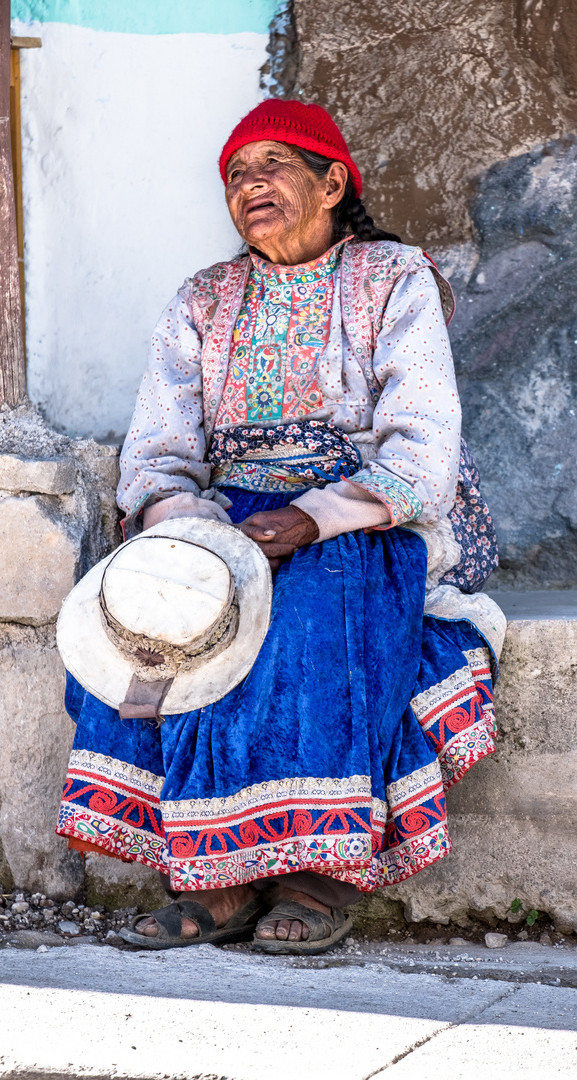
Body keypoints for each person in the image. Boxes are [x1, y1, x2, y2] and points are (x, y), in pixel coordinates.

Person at [56, 99, 504, 955]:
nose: (250, 185)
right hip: (227, 511)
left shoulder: (392, 277)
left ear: (333, 182)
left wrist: (311, 517)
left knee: (308, 618)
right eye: (235, 174)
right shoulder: (205, 298)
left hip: (364, 507)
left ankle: (316, 873)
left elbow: (423, 441)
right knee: (168, 617)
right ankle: (216, 878)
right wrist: (188, 530)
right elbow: (159, 448)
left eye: (273, 166)